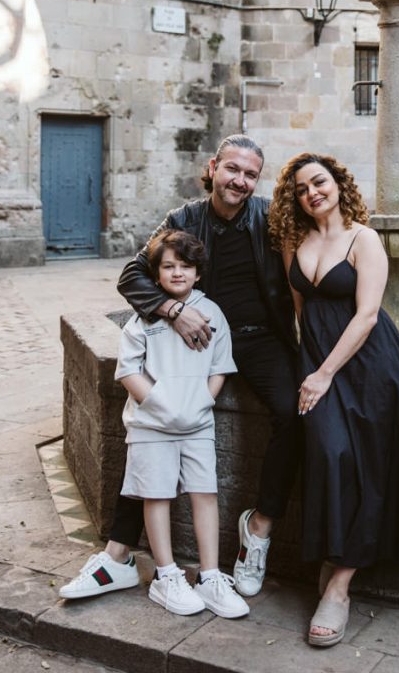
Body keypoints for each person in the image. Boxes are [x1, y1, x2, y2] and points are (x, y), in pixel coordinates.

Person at [59, 135, 300, 601]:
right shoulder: (184, 219)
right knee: (150, 423)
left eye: (251, 174)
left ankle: (259, 531)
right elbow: (132, 274)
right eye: (233, 169)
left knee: (293, 413)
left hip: (257, 340)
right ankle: (118, 555)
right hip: (192, 340)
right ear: (213, 167)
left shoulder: (269, 217)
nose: (240, 181)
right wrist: (173, 310)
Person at [268, 152, 399, 648]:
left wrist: (324, 374)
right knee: (328, 451)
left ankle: (340, 586)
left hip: (370, 367)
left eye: (319, 182)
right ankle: (333, 554)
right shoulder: (292, 241)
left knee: (364, 460)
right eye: (302, 188)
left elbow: (367, 315)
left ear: (338, 184)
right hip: (319, 362)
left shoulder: (363, 239)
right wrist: (307, 368)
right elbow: (301, 312)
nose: (312, 193)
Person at [114, 229, 248, 618]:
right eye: (168, 267)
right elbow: (127, 371)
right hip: (151, 427)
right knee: (156, 495)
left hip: (197, 425)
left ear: (198, 273)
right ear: (155, 275)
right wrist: (160, 405)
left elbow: (220, 366)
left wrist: (202, 402)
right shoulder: (142, 318)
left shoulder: (212, 313)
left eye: (185, 267)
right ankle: (166, 576)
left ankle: (209, 576)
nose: (176, 274)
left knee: (205, 493)